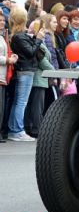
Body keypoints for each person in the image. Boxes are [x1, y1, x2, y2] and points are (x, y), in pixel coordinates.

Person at [7, 8, 43, 142]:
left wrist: (34, 37)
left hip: (23, 70)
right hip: (25, 70)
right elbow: (31, 52)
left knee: (18, 101)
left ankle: (13, 129)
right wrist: (38, 39)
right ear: (23, 20)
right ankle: (17, 130)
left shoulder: (18, 35)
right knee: (21, 102)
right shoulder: (20, 36)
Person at [24, 20, 54, 138]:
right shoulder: (36, 43)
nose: (44, 31)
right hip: (38, 78)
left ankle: (33, 127)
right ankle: (36, 129)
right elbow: (42, 61)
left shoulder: (39, 42)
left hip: (40, 78)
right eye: (41, 28)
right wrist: (55, 72)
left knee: (35, 105)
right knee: (37, 106)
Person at [0, 14, 18, 143]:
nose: (2, 22)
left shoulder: (2, 36)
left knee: (1, 107)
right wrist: (8, 60)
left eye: (2, 20)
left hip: (2, 76)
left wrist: (12, 57)